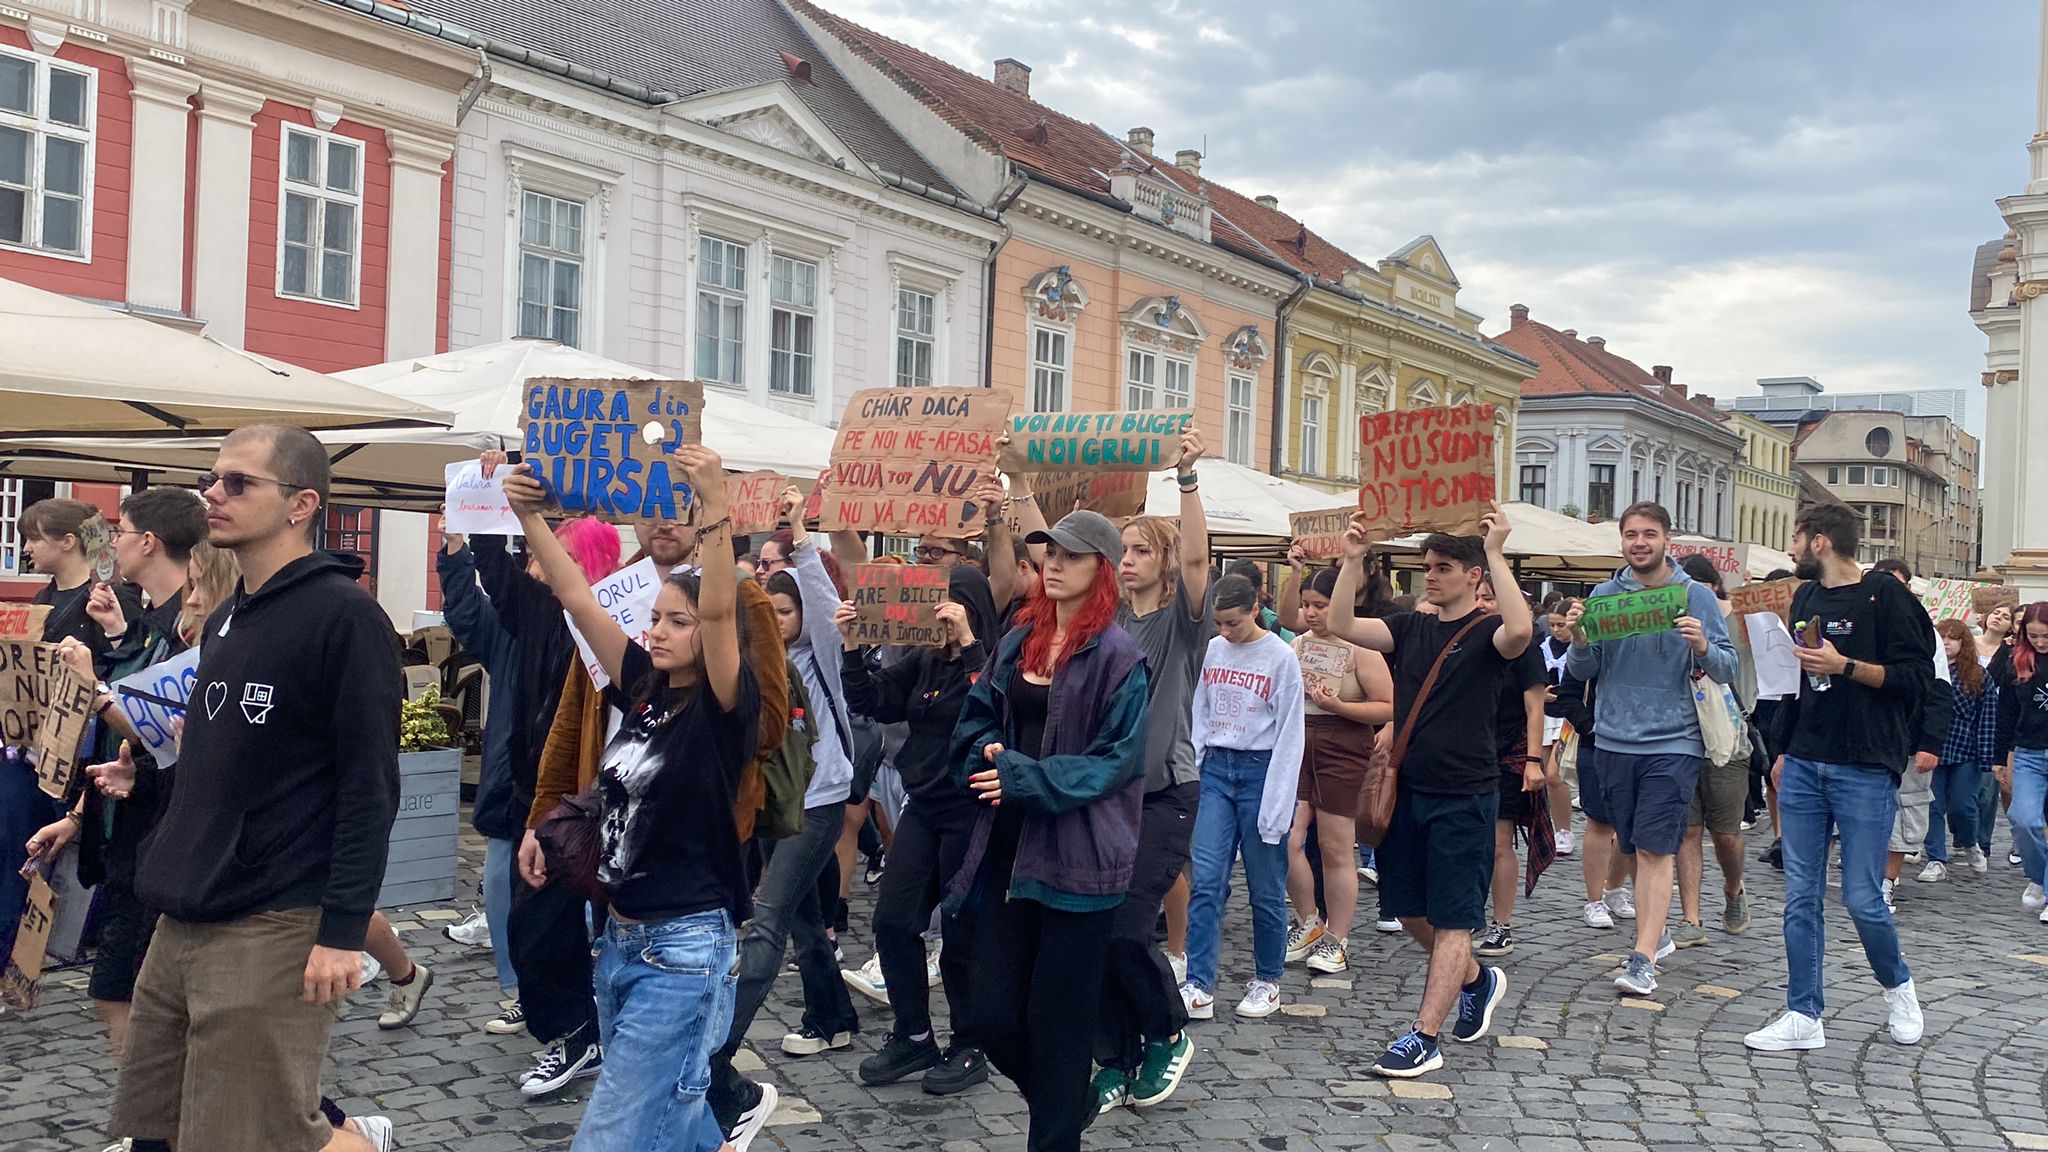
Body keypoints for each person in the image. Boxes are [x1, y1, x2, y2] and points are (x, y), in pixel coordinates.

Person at [108, 424, 401, 1152]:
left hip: (271, 916)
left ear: (301, 503)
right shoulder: (231, 613)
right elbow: (223, 744)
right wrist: (140, 769)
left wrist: (340, 934)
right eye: (214, 479)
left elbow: (371, 787)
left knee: (250, 1134)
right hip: (184, 909)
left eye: (238, 483)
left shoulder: (347, 616)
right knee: (160, 1126)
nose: (214, 493)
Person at [502, 443, 756, 1151]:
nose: (660, 630)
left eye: (680, 621)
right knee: (678, 1119)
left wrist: (714, 510)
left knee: (612, 1136)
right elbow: (578, 599)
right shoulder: (644, 690)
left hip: (684, 948)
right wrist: (529, 517)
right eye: (657, 618)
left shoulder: (722, 711)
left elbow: (722, 614)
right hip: (620, 942)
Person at [989, 430, 1211, 1118]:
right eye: (1129, 548)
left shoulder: (1181, 621)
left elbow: (1201, 558)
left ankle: (1167, 1031)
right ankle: (1114, 1055)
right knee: (1092, 937)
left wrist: (1187, 480)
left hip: (1164, 792)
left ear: (1163, 561)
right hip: (1096, 799)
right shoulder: (1099, 616)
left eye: (1145, 548)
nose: (1132, 556)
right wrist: (1019, 485)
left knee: (1123, 929)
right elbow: (1049, 548)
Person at [950, 509, 1150, 1152]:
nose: (1054, 564)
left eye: (1072, 555)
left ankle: (1055, 1131)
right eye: (1050, 554)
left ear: (1104, 571)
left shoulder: (1121, 657)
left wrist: (1026, 778)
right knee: (990, 1013)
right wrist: (983, 750)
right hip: (1008, 853)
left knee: (1059, 1024)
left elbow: (1116, 762)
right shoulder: (1018, 639)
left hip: (1082, 864)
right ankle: (1060, 1108)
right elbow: (977, 714)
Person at [1326, 505, 1532, 1079]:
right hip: (1407, 790)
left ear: (1472, 577)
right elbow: (1342, 623)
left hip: (1466, 794)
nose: (1432, 576)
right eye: (1428, 567)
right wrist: (1352, 557)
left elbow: (1520, 631)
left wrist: (1496, 553)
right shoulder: (1408, 627)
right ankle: (1476, 979)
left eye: (1443, 567)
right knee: (1408, 908)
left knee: (1452, 920)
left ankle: (1424, 1037)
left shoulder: (1490, 631)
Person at [21, 487, 207, 1058]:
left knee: (139, 999)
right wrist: (79, 816)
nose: (114, 543)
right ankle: (150, 1122)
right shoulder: (149, 619)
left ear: (147, 542)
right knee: (126, 996)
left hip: (168, 836)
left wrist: (94, 689)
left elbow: (157, 732)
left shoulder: (192, 625)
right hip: (130, 823)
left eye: (121, 531)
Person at [1744, 503, 1930, 1053]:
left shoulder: (1885, 595)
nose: (1791, 549)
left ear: (1820, 541)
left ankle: (1899, 988)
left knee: (1862, 897)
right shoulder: (1804, 597)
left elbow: (1918, 677)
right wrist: (1782, 748)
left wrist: (1845, 666)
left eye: (1796, 538)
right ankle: (1804, 1014)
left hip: (1865, 765)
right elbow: (1799, 679)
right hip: (1804, 762)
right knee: (1800, 895)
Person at [708, 490, 862, 1140]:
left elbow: (824, 605)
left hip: (822, 801)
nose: (781, 618)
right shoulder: (760, 664)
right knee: (800, 920)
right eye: (770, 611)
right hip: (778, 806)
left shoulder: (821, 651)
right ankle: (833, 1019)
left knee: (765, 921)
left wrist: (798, 535)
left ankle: (715, 1046)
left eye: (788, 608)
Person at [438, 514, 619, 1034]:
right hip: (533, 792)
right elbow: (493, 583)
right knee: (529, 915)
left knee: (581, 918)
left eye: (555, 558)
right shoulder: (538, 617)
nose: (539, 570)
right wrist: (488, 514)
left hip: (598, 795)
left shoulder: (618, 624)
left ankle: (585, 1020)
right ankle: (564, 1017)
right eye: (540, 556)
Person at [1563, 503, 1737, 995]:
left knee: (1658, 846)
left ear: (1667, 540)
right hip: (1614, 738)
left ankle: (1641, 958)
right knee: (1634, 843)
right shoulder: (1603, 595)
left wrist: (1703, 645)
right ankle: (1655, 931)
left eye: (1650, 534)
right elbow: (1583, 670)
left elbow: (1728, 670)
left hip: (1675, 741)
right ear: (1622, 541)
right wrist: (1577, 638)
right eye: (1631, 534)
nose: (1640, 542)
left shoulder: (1693, 595)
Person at [840, 564, 999, 1095]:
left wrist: (971, 643)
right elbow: (871, 699)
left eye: (954, 605)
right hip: (926, 804)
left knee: (961, 934)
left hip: (973, 808)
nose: (943, 615)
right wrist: (849, 647)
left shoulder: (991, 659)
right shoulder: (924, 660)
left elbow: (995, 710)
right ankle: (913, 1032)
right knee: (892, 921)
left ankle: (971, 1043)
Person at [1181, 574, 1306, 1018]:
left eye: (1232, 623)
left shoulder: (1280, 657)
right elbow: (1201, 708)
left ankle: (1268, 979)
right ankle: (1198, 983)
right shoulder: (1214, 649)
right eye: (1218, 623)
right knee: (1208, 881)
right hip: (1216, 766)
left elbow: (1292, 733)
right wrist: (1194, 768)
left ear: (1256, 610)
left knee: (1266, 886)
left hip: (1261, 770)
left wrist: (1278, 803)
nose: (1224, 632)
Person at [1283, 565, 1394, 974]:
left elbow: (1387, 705)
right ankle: (1309, 921)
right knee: (1286, 839)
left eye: (1321, 606)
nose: (1312, 614)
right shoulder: (1297, 644)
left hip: (1344, 743)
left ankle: (1337, 939)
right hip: (1298, 742)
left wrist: (1340, 706)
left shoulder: (1360, 647)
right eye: (1307, 605)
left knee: (1334, 846)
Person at [1670, 554, 1753, 946]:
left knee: (1724, 833)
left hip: (1726, 738)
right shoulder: (1666, 616)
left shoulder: (1738, 620)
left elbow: (1736, 667)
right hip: (1680, 736)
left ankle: (1734, 889)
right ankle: (1691, 918)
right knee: (1687, 830)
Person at [1476, 579, 1549, 959]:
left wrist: (1533, 762)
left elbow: (1535, 707)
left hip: (1507, 753)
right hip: (1467, 753)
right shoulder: (1470, 641)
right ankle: (1469, 914)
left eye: (1490, 597)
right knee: (1471, 840)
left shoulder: (1525, 650)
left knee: (1499, 842)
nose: (1483, 603)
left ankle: (1501, 924)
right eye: (1479, 597)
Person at [1920, 618, 1998, 881]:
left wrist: (1987, 757)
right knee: (1932, 805)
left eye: (1952, 638)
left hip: (1966, 750)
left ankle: (1970, 843)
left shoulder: (1977, 674)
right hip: (1934, 748)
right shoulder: (1927, 670)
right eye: (1942, 637)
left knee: (1963, 805)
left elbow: (1988, 717)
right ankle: (1935, 859)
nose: (1946, 642)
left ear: (1963, 643)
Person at [1995, 602, 2048, 921]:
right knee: (2023, 819)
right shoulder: (2018, 661)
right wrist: (1999, 758)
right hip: (2029, 752)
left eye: (2047, 636)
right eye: (2035, 636)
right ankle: (2040, 878)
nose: (2041, 643)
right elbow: (2006, 713)